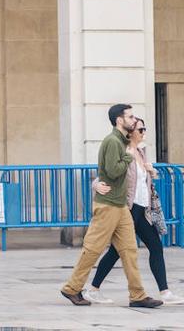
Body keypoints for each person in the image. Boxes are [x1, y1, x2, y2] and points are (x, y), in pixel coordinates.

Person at [61, 104, 162, 308]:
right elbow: (113, 171)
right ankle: (72, 288)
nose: (134, 120)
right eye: (130, 116)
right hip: (107, 206)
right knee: (93, 249)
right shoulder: (113, 141)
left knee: (129, 250)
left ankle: (137, 295)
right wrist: (128, 156)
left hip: (120, 206)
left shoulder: (122, 142)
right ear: (119, 120)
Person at [84, 118, 184, 305]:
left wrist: (151, 172)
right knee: (115, 251)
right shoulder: (123, 151)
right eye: (141, 129)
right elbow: (105, 174)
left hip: (142, 210)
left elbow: (140, 183)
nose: (144, 132)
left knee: (155, 246)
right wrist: (96, 185)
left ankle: (165, 292)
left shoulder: (141, 152)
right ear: (130, 132)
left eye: (144, 128)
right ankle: (93, 289)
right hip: (127, 210)